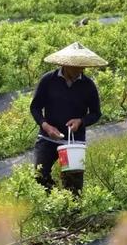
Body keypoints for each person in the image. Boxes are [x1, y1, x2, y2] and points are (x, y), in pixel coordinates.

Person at [30, 42, 108, 195]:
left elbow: (96, 113)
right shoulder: (48, 80)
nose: (80, 70)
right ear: (65, 64)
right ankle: (54, 201)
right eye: (76, 66)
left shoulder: (88, 85)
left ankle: (70, 213)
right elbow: (35, 107)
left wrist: (81, 121)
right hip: (48, 138)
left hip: (74, 142)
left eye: (83, 66)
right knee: (39, 175)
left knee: (73, 184)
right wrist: (46, 126)